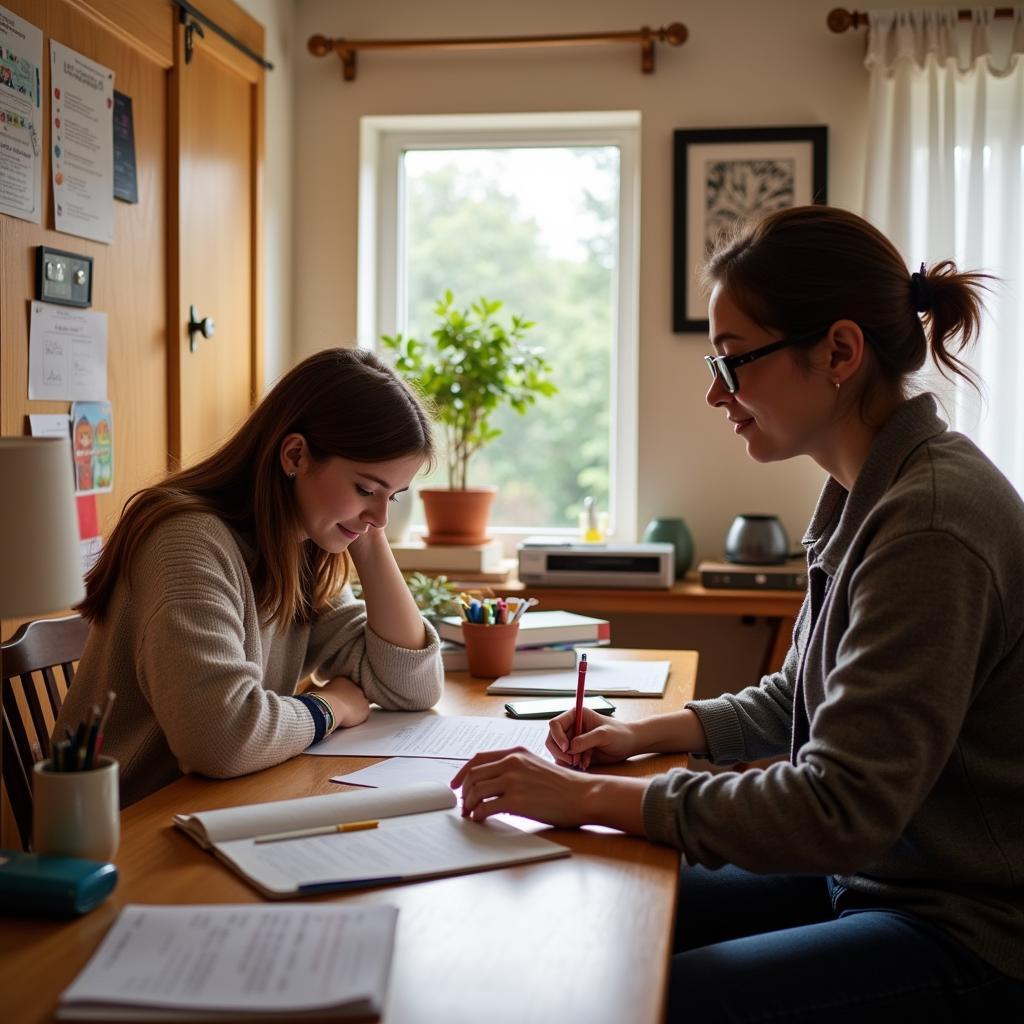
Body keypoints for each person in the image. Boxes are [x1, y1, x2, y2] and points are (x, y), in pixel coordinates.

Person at [453, 206, 1024, 1018]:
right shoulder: (867, 491)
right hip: (874, 877)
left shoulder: (930, 521)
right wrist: (646, 734)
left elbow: (839, 807)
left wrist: (581, 798)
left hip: (964, 926)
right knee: (608, 906)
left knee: (647, 994)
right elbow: (803, 697)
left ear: (838, 352)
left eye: (733, 363)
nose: (717, 394)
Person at [58, 348, 444, 806]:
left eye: (394, 496)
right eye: (365, 488)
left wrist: (367, 534)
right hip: (126, 827)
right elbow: (220, 738)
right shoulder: (185, 540)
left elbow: (412, 687)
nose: (380, 515)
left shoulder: (300, 544)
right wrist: (333, 706)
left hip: (215, 806)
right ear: (296, 454)